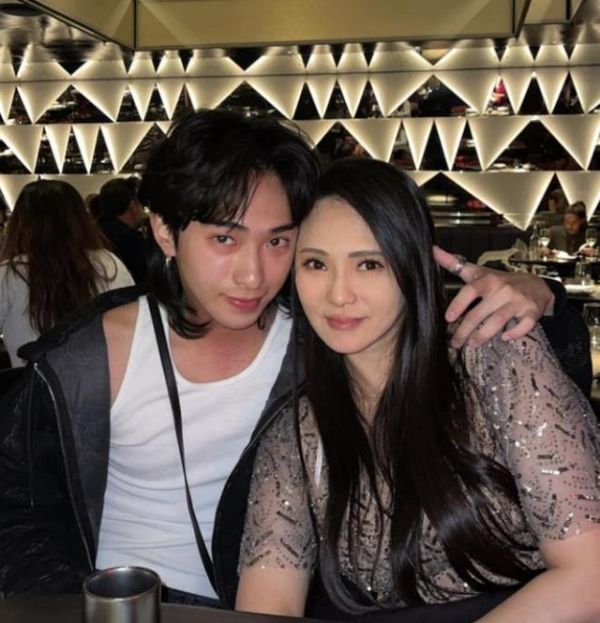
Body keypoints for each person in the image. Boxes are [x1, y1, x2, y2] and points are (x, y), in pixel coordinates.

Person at [0, 110, 560, 608]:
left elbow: (479, 367)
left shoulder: (323, 340)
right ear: (166, 231)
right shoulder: (87, 360)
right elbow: (15, 511)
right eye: (225, 240)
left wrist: (541, 297)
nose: (253, 274)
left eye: (277, 241)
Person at [236, 159, 600, 622]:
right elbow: (267, 604)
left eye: (369, 264)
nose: (338, 294)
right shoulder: (298, 434)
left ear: (412, 266)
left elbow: (590, 579)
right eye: (315, 264)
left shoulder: (494, 358)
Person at [0, 180, 133, 367]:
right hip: (105, 380)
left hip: (34, 382)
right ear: (80, 219)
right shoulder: (109, 264)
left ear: (20, 223)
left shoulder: (9, 274)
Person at [98, 177, 148, 283]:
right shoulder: (131, 240)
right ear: (132, 206)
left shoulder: (94, 232)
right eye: (141, 204)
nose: (142, 209)